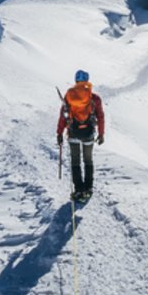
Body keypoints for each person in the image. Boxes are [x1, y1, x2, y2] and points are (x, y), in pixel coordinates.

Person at [57, 69, 105, 201]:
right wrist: (101, 134)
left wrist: (59, 133)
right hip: (88, 133)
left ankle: (78, 190)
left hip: (73, 133)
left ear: (76, 81)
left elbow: (63, 116)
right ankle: (88, 189)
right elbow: (100, 116)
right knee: (88, 161)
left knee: (75, 161)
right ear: (87, 81)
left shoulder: (69, 96)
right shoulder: (94, 98)